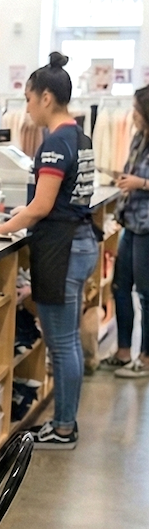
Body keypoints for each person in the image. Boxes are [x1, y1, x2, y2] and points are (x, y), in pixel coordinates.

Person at [0, 53, 97, 449]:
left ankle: (64, 428)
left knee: (62, 343)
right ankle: (66, 422)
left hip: (61, 249)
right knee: (67, 340)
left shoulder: (55, 143)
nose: (27, 108)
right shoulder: (80, 136)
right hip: (80, 242)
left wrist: (1, 227)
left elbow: (42, 206)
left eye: (29, 99)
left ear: (46, 98)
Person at [101, 85, 149, 378]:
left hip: (146, 227)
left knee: (145, 293)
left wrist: (140, 183)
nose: (133, 114)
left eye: (136, 109)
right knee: (120, 286)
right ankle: (122, 350)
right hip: (130, 221)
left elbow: (140, 180)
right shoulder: (138, 138)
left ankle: (145, 357)